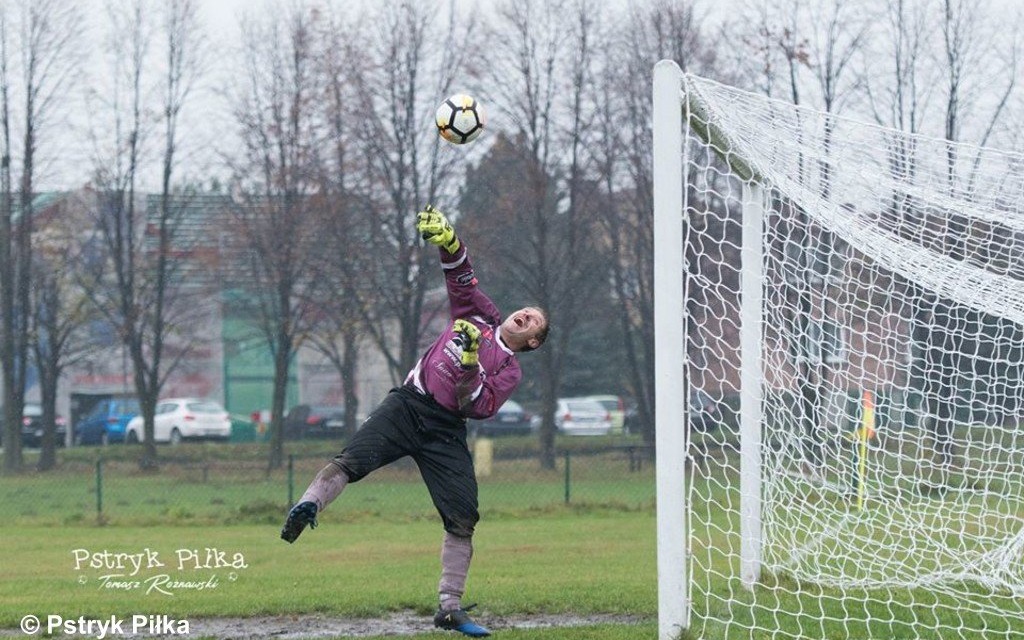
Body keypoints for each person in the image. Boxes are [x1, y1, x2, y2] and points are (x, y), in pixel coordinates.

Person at [280, 205, 549, 638]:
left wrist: (467, 362)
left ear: (533, 339)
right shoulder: (481, 314)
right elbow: (461, 275)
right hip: (408, 405)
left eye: (535, 319)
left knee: (464, 517)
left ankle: (449, 608)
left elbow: (473, 404)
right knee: (351, 460)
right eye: (527, 309)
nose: (526, 314)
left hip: (445, 430)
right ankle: (308, 505)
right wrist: (450, 240)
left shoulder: (510, 370)